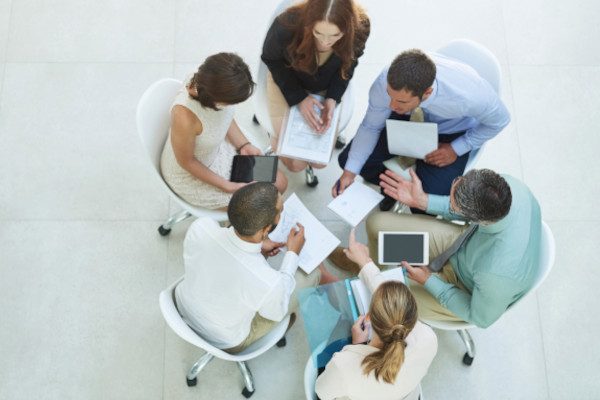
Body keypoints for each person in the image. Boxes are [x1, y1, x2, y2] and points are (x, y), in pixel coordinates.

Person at [348, 168, 540, 328]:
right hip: (462, 241)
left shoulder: (496, 277)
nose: (450, 205)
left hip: (463, 287)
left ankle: (369, 273)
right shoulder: (507, 186)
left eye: (455, 208)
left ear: (483, 221)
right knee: (377, 223)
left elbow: (480, 319)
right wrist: (423, 201)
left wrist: (430, 281)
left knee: (381, 299)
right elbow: (468, 207)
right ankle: (370, 265)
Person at [333, 49, 511, 211]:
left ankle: (409, 193)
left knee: (425, 206)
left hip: (450, 133)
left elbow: (500, 120)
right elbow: (371, 126)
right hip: (407, 119)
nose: (391, 105)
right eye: (390, 95)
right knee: (349, 161)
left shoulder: (468, 96)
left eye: (401, 101)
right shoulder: (386, 84)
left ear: (427, 92)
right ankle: (391, 190)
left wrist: (457, 148)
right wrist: (349, 174)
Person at [175, 182, 337, 353]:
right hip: (226, 339)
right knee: (314, 274)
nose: (283, 213)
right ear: (266, 229)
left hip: (183, 304)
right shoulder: (268, 283)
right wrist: (293, 254)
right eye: (281, 212)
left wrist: (258, 245)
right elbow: (274, 312)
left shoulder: (201, 226)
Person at [315, 230, 437, 400]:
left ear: (368, 317)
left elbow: (321, 392)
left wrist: (356, 346)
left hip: (344, 378)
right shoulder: (428, 338)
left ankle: (321, 275)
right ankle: (323, 275)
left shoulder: (343, 366)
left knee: (328, 347)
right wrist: (365, 263)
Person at [160, 52, 287, 210]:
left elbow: (223, 117)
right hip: (192, 172)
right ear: (216, 97)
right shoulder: (185, 117)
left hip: (219, 147)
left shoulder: (209, 79)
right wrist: (228, 186)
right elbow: (186, 162)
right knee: (262, 205)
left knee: (280, 182)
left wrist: (243, 145)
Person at [261, 0, 370, 173]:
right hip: (289, 80)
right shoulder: (285, 25)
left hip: (326, 84)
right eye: (318, 33)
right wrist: (299, 98)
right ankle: (273, 137)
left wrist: (333, 98)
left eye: (336, 35)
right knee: (296, 166)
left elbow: (350, 63)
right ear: (309, 23)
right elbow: (271, 59)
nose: (326, 42)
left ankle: (281, 135)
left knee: (320, 162)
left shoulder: (360, 27)